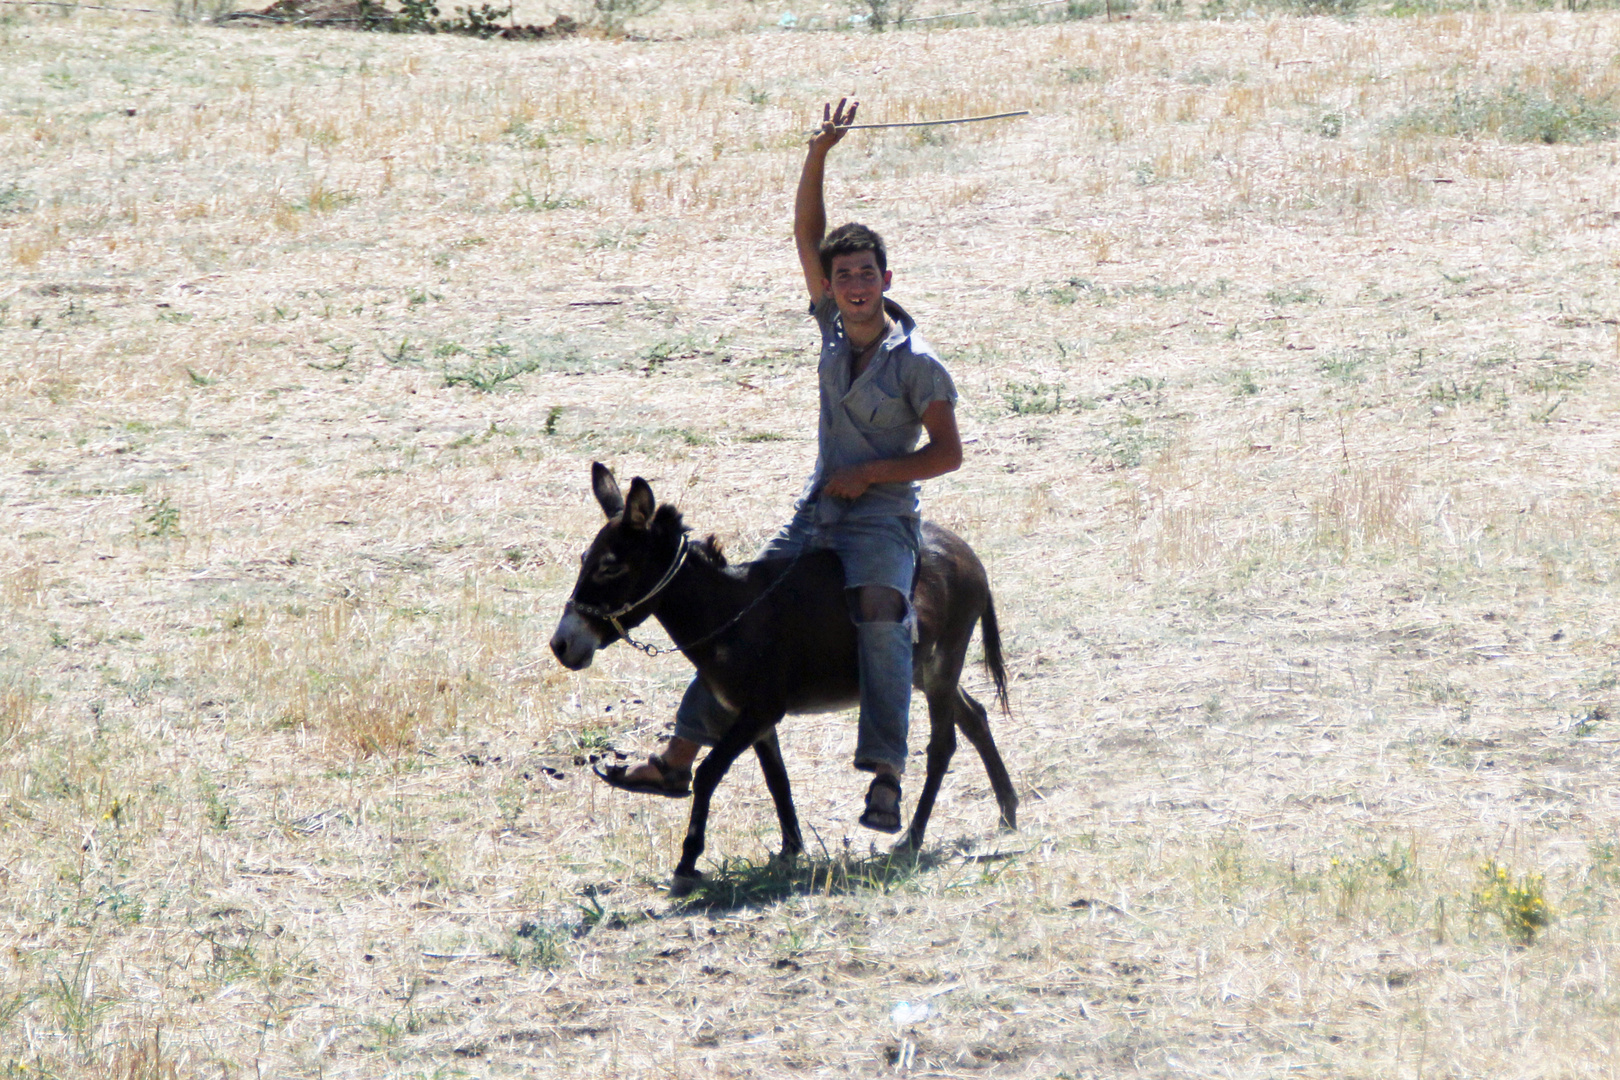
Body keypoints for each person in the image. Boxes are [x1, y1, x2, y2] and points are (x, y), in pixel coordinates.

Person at [599, 98, 964, 833]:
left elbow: (947, 455)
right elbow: (805, 233)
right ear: (831, 287)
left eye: (867, 274)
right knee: (741, 612)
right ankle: (677, 760)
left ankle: (886, 774)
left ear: (888, 280)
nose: (855, 286)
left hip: (883, 522)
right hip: (817, 511)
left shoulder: (920, 366)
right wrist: (818, 154)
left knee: (883, 617)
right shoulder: (831, 326)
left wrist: (871, 476)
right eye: (843, 276)